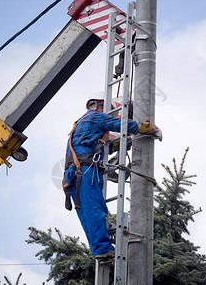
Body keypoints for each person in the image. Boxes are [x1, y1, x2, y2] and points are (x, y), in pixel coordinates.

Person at [63, 92, 161, 260]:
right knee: (95, 210)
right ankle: (102, 248)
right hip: (85, 172)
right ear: (100, 104)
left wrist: (127, 140)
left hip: (73, 174)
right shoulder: (95, 117)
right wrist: (147, 128)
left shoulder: (81, 123)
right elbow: (121, 124)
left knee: (87, 213)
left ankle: (100, 250)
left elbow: (101, 148)